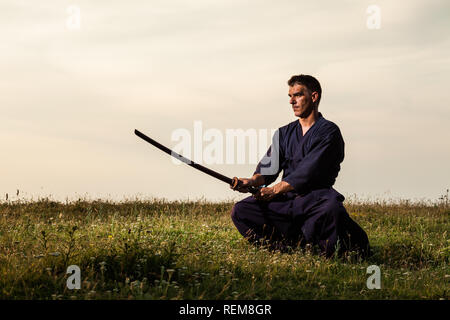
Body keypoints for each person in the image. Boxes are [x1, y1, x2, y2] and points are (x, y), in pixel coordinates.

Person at [230, 74, 370, 258]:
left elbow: (308, 171)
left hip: (317, 198)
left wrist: (274, 190)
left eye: (297, 95)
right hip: (287, 199)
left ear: (314, 97)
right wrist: (251, 181)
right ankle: (286, 248)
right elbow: (268, 170)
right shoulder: (284, 132)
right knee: (241, 211)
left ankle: (331, 251)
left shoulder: (329, 132)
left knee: (332, 211)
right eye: (289, 96)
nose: (291, 101)